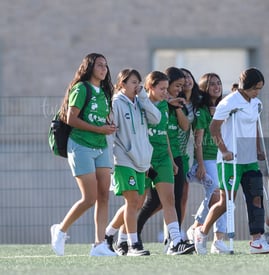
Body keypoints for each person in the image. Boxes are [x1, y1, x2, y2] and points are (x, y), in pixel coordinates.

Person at [193, 68, 269, 255]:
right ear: (246, 86)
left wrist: (257, 149)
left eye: (260, 88)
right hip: (229, 160)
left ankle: (257, 241)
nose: (258, 92)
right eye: (255, 88)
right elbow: (214, 128)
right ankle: (201, 232)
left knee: (256, 198)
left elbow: (255, 126)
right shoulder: (229, 102)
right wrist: (224, 151)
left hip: (249, 159)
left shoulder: (256, 103)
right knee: (226, 202)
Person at [50, 53, 117, 256]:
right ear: (89, 67)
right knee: (89, 197)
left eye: (106, 65)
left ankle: (99, 245)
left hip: (101, 147)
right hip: (81, 146)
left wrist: (107, 126)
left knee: (104, 196)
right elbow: (71, 118)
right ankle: (60, 230)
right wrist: (99, 129)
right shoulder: (81, 88)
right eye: (99, 65)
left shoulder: (105, 92)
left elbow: (99, 119)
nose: (104, 69)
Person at [134, 70, 194, 255]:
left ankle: (175, 241)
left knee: (170, 200)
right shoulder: (139, 106)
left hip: (164, 158)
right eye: (163, 88)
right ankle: (119, 236)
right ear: (150, 87)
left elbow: (166, 135)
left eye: (168, 88)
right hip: (144, 159)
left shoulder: (166, 105)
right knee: (137, 203)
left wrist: (170, 159)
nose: (167, 92)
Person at [103, 68, 161, 256]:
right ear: (122, 84)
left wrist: (144, 97)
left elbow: (156, 118)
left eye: (139, 82)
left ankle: (108, 235)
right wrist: (110, 163)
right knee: (132, 201)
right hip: (123, 159)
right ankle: (133, 244)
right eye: (133, 82)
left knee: (135, 202)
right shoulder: (116, 103)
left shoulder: (140, 102)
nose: (138, 85)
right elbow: (111, 133)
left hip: (142, 160)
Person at [186, 73, 230, 254]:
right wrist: (201, 164)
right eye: (212, 84)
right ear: (204, 88)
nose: (216, 87)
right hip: (208, 159)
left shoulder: (224, 107)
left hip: (222, 158)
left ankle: (215, 239)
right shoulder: (201, 111)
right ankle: (199, 227)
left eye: (218, 83)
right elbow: (198, 140)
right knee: (219, 195)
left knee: (225, 198)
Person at [177, 68, 201, 241]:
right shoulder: (173, 101)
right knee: (161, 199)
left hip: (186, 153)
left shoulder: (197, 102)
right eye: (182, 78)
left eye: (189, 76)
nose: (187, 80)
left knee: (183, 196)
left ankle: (176, 232)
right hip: (169, 151)